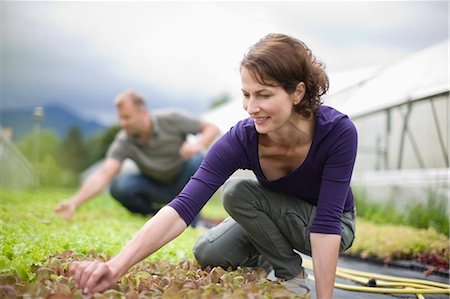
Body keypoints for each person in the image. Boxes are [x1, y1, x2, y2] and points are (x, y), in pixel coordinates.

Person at [70, 33, 357, 299]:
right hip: (274, 216)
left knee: (236, 192)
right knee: (208, 251)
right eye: (247, 94)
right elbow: (183, 206)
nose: (251, 107)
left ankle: (290, 274)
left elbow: (328, 223)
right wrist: (115, 266)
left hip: (330, 225)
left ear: (297, 93)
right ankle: (270, 255)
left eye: (264, 95)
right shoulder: (242, 139)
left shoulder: (337, 132)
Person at [55, 90, 220, 225]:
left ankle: (192, 217)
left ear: (143, 113)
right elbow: (104, 174)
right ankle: (156, 216)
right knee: (119, 186)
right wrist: (74, 202)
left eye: (127, 117)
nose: (123, 123)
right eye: (120, 118)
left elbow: (211, 128)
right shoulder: (124, 140)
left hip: (183, 179)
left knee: (198, 159)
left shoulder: (171, 118)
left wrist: (198, 144)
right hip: (154, 185)